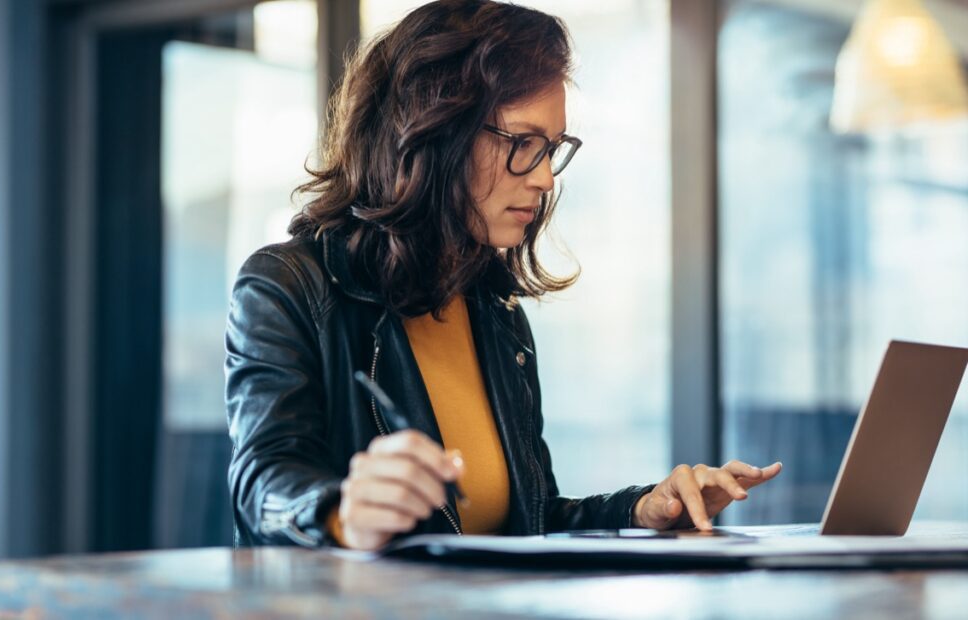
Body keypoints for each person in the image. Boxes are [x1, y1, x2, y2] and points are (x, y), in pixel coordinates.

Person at [225, 0, 781, 551]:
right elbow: (262, 485)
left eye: (551, 149)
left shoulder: (493, 307)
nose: (544, 178)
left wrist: (644, 508)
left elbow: (528, 521)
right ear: (434, 131)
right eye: (522, 144)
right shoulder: (286, 287)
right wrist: (344, 514)